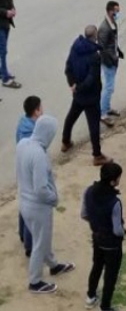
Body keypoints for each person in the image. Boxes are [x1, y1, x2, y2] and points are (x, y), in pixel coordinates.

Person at [17, 115, 76, 294]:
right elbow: (41, 189)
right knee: (40, 243)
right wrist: (54, 199)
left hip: (24, 202)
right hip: (38, 207)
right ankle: (35, 281)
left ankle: (53, 265)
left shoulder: (23, 144)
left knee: (42, 238)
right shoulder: (39, 155)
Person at [62, 25, 112, 167]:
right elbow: (91, 79)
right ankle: (97, 155)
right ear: (95, 37)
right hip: (91, 96)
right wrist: (78, 88)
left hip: (78, 95)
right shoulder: (94, 56)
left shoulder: (75, 47)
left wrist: (73, 85)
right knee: (94, 126)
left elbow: (68, 68)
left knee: (71, 117)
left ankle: (65, 142)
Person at [81, 162, 126, 311]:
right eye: (119, 177)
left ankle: (91, 297)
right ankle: (105, 310)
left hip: (97, 237)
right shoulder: (115, 202)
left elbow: (84, 214)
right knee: (110, 276)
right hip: (112, 244)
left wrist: (96, 224)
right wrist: (124, 232)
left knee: (97, 266)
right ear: (113, 181)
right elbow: (117, 229)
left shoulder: (88, 191)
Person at [16, 95, 42, 257]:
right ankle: (30, 246)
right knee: (32, 209)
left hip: (21, 170)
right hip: (31, 173)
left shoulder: (22, 123)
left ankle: (22, 233)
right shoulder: (32, 132)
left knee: (24, 204)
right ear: (36, 111)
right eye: (41, 108)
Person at [98, 1, 124, 128]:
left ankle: (107, 108)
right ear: (109, 11)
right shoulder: (104, 28)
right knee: (109, 87)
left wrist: (118, 51)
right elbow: (102, 48)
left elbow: (113, 41)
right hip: (109, 62)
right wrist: (112, 59)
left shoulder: (112, 23)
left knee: (110, 87)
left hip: (113, 59)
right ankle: (103, 114)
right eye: (116, 11)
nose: (118, 13)